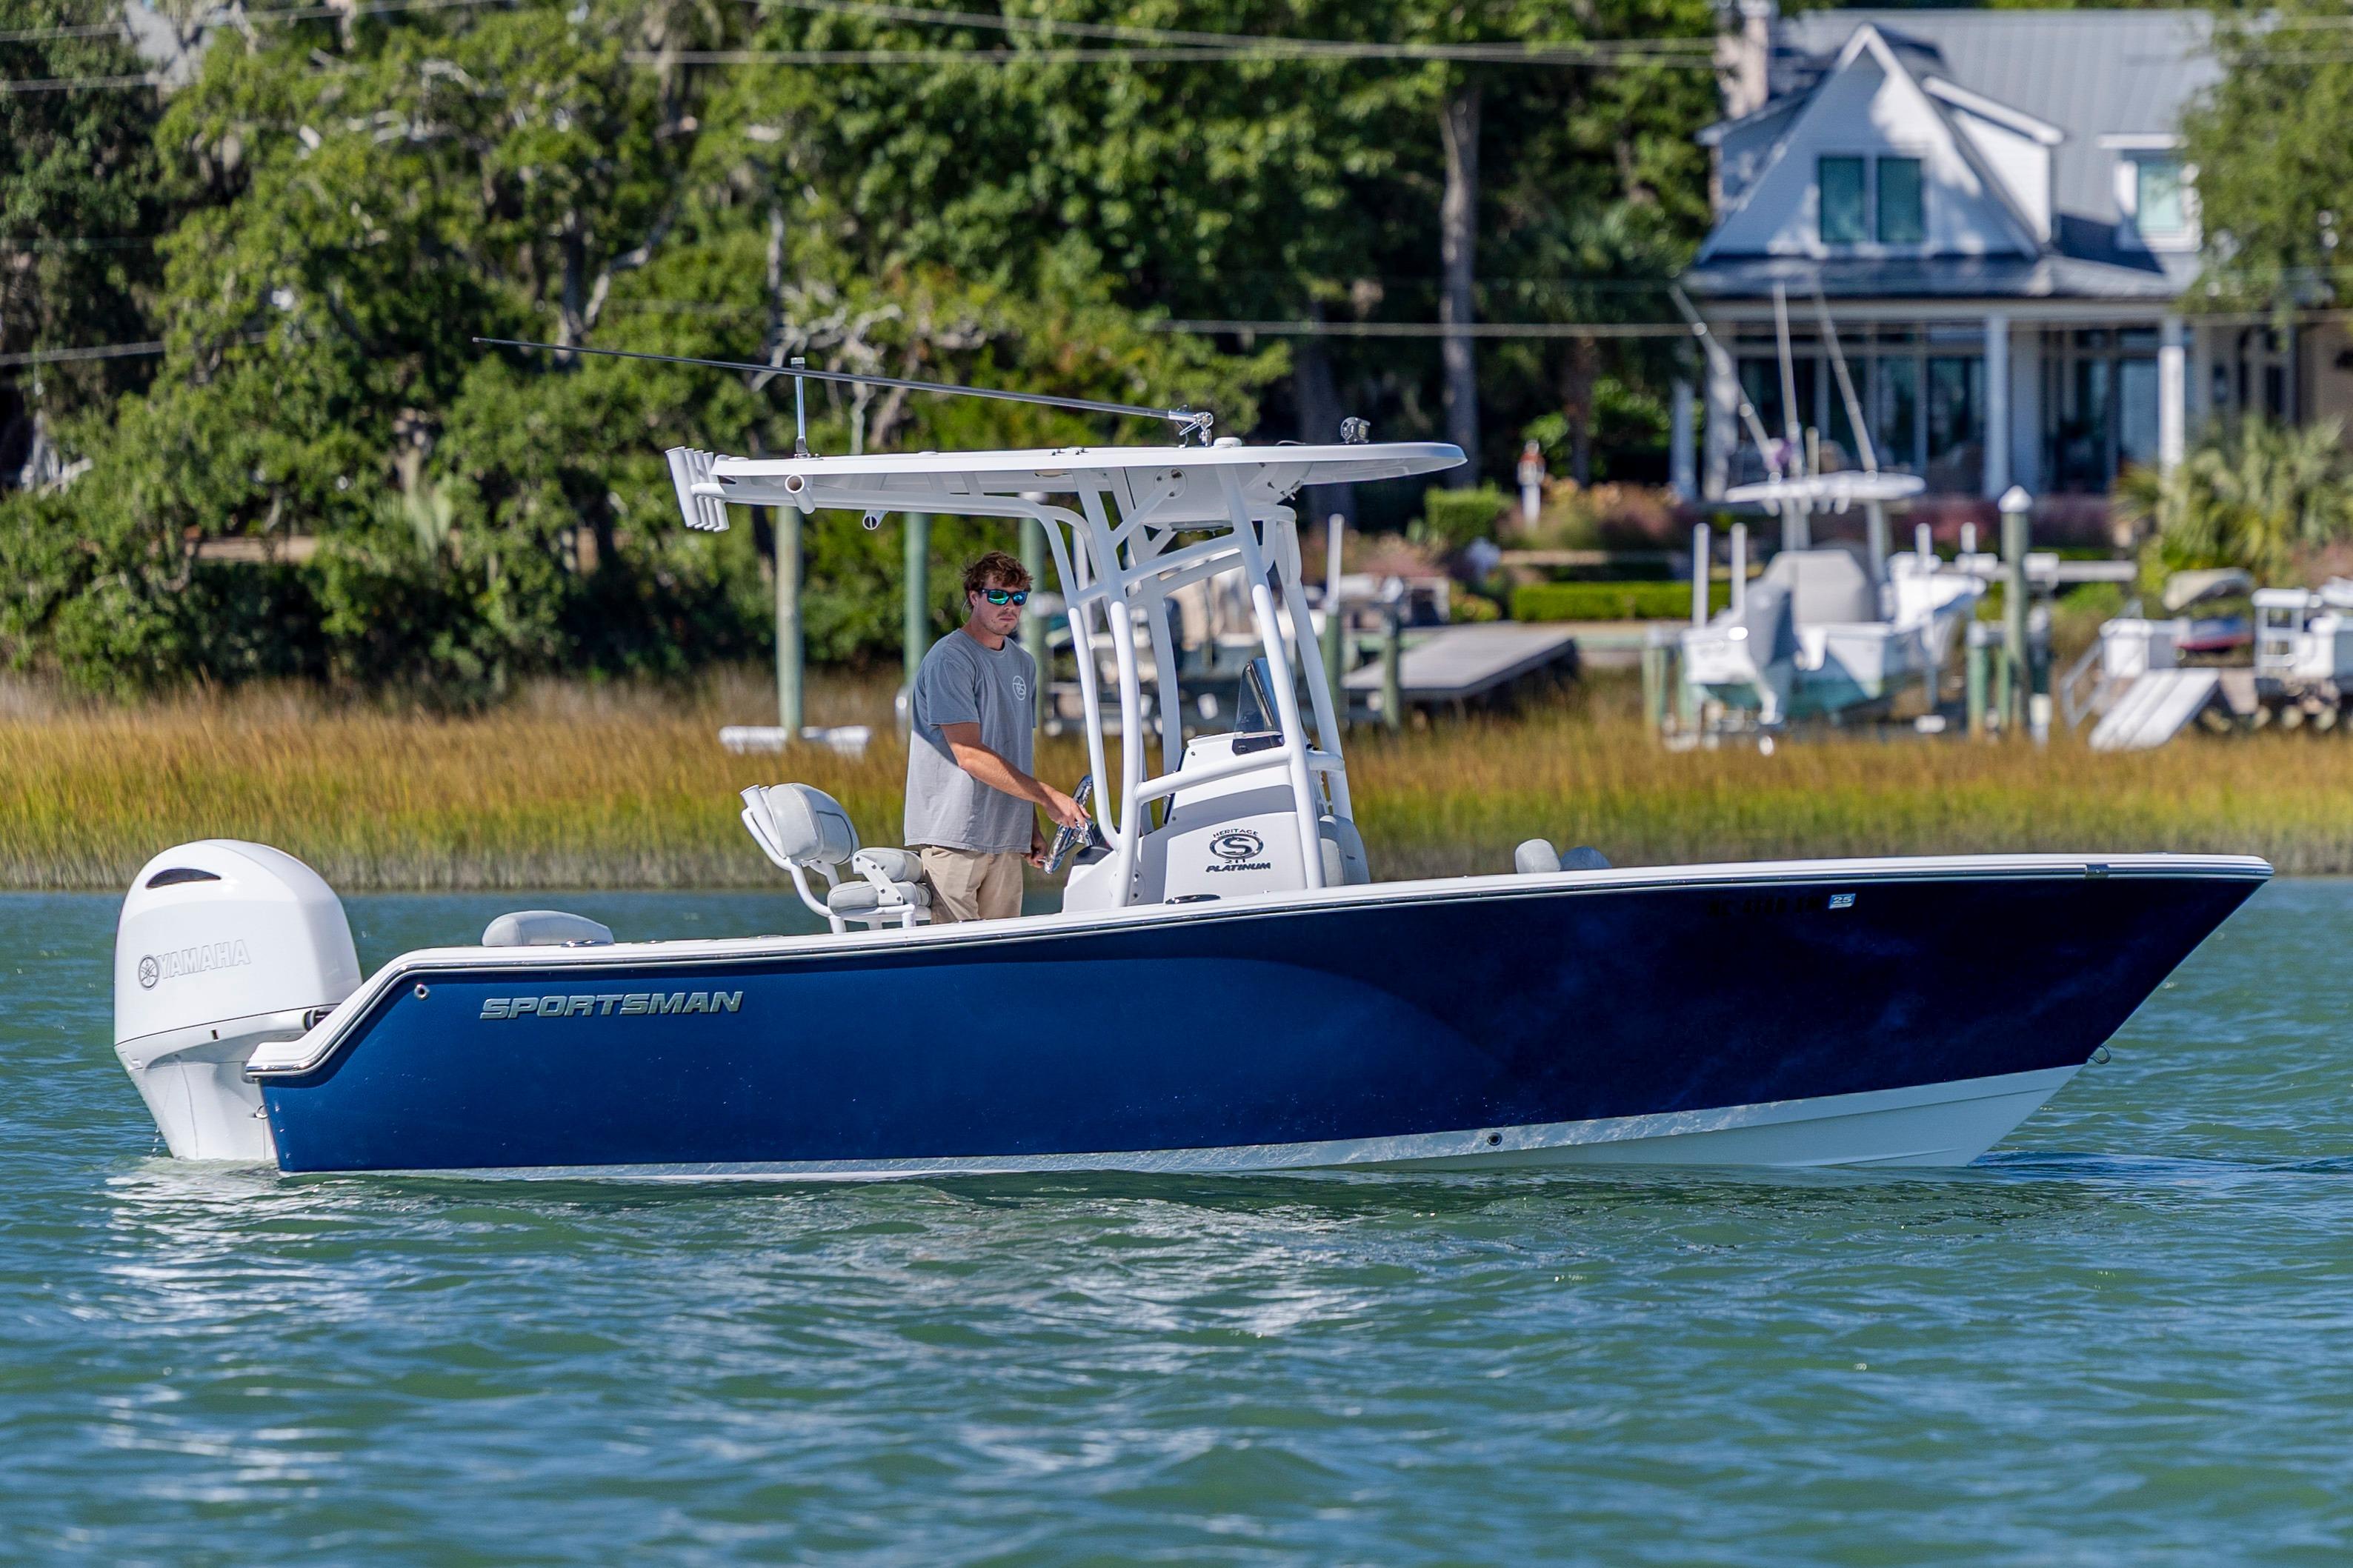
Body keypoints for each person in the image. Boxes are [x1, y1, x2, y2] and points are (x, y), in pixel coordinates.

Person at [905, 550, 1089, 922]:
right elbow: (969, 754)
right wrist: (1050, 796)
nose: (1010, 606)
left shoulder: (1025, 663)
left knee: (1000, 956)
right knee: (953, 959)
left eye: (1018, 597)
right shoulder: (950, 659)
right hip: (953, 838)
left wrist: (1031, 823)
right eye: (998, 596)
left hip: (1006, 839)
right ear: (974, 596)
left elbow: (1015, 751)